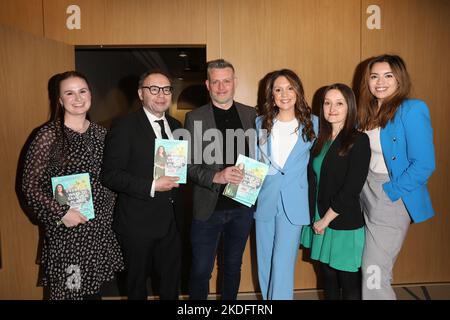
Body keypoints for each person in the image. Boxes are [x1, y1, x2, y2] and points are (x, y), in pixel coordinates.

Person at [21, 71, 124, 300]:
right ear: (59, 100)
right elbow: (30, 187)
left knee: (93, 294)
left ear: (90, 95)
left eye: (82, 91)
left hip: (99, 232)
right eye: (69, 93)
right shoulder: (48, 135)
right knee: (71, 293)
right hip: (69, 235)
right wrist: (62, 213)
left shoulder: (101, 134)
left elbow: (112, 177)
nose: (77, 98)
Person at [358, 54, 435, 299]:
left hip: (391, 194)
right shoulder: (367, 111)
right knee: (369, 267)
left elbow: (424, 164)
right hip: (365, 192)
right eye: (374, 76)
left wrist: (391, 191)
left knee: (374, 271)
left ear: (399, 79)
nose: (380, 82)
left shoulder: (412, 110)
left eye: (388, 75)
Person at [102, 70, 183, 300]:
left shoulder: (177, 126)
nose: (161, 95)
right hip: (137, 223)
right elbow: (110, 175)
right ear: (140, 93)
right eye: (153, 89)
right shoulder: (124, 126)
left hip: (172, 222)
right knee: (137, 286)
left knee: (171, 284)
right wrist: (151, 185)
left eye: (166, 89)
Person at [184, 59, 256, 300]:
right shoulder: (195, 117)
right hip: (208, 208)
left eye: (226, 81)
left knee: (233, 267)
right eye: (216, 82)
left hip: (242, 207)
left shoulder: (251, 114)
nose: (222, 87)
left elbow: (261, 156)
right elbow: (189, 166)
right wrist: (216, 175)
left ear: (235, 82)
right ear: (207, 84)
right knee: (201, 270)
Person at [300, 83, 370, 300]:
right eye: (327, 103)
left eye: (339, 103)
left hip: (342, 222)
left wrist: (325, 220)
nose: (332, 108)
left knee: (349, 284)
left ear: (349, 106)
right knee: (327, 279)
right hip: (320, 218)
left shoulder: (358, 140)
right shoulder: (318, 140)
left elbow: (351, 189)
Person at [255, 69, 318, 300]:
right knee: (264, 262)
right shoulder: (260, 123)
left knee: (282, 262)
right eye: (278, 89)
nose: (284, 94)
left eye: (290, 88)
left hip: (294, 203)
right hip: (265, 200)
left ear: (298, 92)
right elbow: (256, 162)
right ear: (271, 95)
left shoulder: (314, 124)